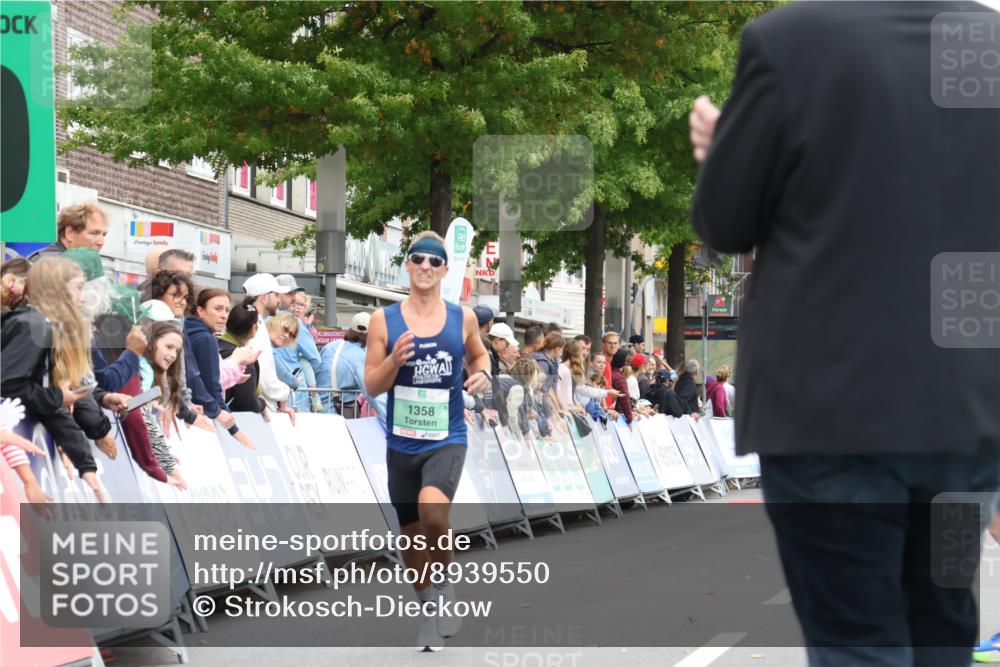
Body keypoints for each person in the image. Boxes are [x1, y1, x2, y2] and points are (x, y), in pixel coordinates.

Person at [690, 3, 1000, 664]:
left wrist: (724, 152)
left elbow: (725, 221)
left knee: (856, 639)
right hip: (967, 414)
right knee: (942, 619)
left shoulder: (789, 41)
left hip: (828, 409)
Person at [364, 230, 490, 652]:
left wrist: (483, 373)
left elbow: (479, 355)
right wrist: (393, 361)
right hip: (402, 443)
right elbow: (371, 385)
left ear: (445, 269)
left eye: (434, 261)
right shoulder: (384, 320)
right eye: (418, 258)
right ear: (408, 264)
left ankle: (446, 584)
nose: (425, 266)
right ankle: (427, 610)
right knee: (412, 534)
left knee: (432, 513)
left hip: (447, 436)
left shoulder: (462, 317)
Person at [0, 257, 109, 501]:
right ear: (56, 289)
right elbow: (7, 386)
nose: (82, 298)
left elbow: (48, 404)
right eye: (78, 287)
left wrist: (85, 464)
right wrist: (58, 396)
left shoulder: (40, 325)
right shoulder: (34, 325)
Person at [184, 288, 255, 449]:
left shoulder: (189, 332)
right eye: (218, 309)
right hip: (199, 417)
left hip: (189, 411)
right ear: (200, 311)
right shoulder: (205, 339)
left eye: (227, 310)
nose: (223, 315)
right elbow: (210, 384)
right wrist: (232, 427)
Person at [242, 273, 296, 421]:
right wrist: (285, 392)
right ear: (264, 297)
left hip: (258, 409)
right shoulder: (256, 327)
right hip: (260, 412)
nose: (279, 300)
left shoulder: (255, 324)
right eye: (276, 295)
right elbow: (264, 375)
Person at [218, 299, 267, 414]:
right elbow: (247, 403)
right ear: (254, 328)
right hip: (229, 418)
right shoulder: (245, 358)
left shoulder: (212, 345)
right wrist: (262, 403)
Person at [27, 200, 108, 260]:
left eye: (103, 235)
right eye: (94, 233)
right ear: (69, 233)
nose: (101, 243)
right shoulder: (50, 265)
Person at [287, 291, 323, 412]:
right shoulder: (298, 325)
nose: (298, 307)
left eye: (301, 305)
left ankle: (314, 394)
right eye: (295, 303)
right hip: (297, 382)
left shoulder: (302, 324)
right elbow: (315, 358)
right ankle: (314, 395)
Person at [609, 349, 634, 424]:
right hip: (616, 414)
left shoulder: (610, 372)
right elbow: (624, 397)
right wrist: (630, 418)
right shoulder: (618, 377)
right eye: (626, 360)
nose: (627, 363)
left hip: (611, 411)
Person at [600, 331, 620, 407]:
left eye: (615, 343)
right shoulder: (600, 362)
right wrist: (606, 408)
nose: (613, 346)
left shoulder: (608, 362)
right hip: (603, 408)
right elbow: (600, 387)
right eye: (610, 343)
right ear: (603, 344)